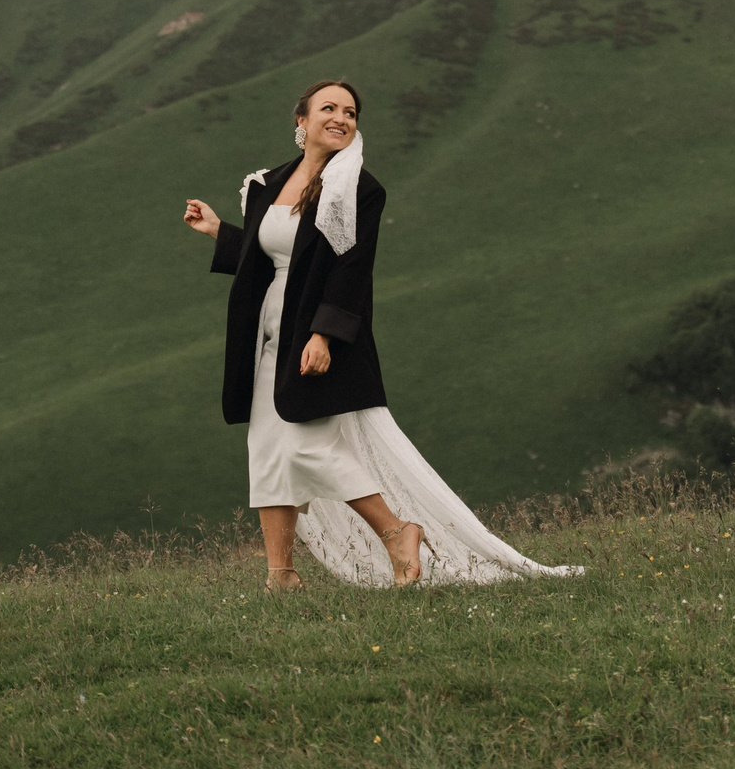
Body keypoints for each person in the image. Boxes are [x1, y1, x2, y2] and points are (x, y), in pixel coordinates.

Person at [182, 78, 581, 592]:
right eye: (328, 108)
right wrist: (219, 231)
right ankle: (280, 575)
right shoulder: (266, 183)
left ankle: (397, 532)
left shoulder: (359, 188)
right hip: (267, 333)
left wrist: (324, 336)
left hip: (315, 332)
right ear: (301, 121)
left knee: (306, 445)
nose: (340, 118)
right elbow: (272, 257)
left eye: (350, 112)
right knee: (267, 449)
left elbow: (350, 270)